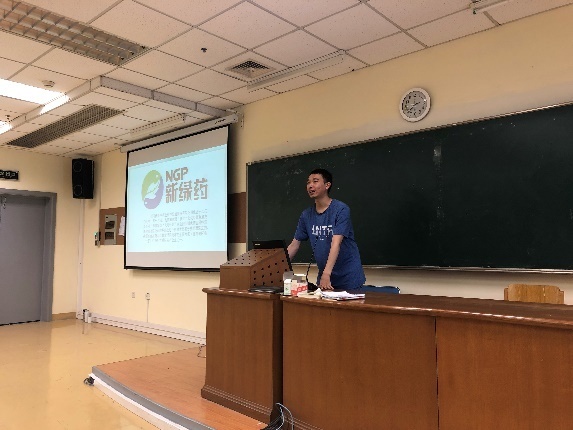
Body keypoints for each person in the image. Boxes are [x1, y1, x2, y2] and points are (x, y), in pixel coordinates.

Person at [287, 168, 365, 291]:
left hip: (348, 277)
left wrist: (326, 274)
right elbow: (294, 245)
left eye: (315, 181)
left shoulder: (341, 209)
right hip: (324, 276)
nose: (310, 186)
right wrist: (278, 268)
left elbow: (336, 243)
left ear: (327, 185)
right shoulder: (306, 215)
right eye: (308, 182)